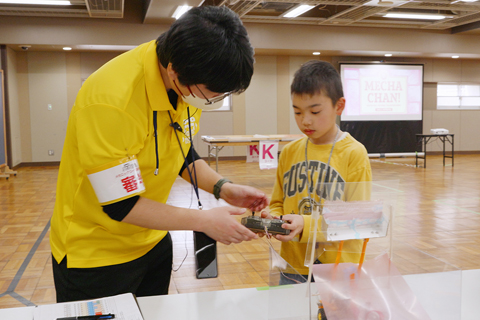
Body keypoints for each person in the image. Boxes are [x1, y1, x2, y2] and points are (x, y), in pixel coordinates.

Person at [50, 6, 268, 303]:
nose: (213, 100)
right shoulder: (112, 99)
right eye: (211, 94)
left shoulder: (187, 84)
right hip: (95, 256)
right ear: (173, 71)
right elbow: (120, 206)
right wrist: (204, 221)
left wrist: (224, 188)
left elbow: (180, 150)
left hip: (152, 241)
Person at [263, 60, 372, 284]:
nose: (305, 120)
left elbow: (357, 218)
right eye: (297, 112)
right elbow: (278, 202)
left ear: (339, 106)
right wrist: (273, 218)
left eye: (315, 111)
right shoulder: (290, 152)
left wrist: (306, 225)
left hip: (339, 267)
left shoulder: (354, 153)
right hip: (293, 264)